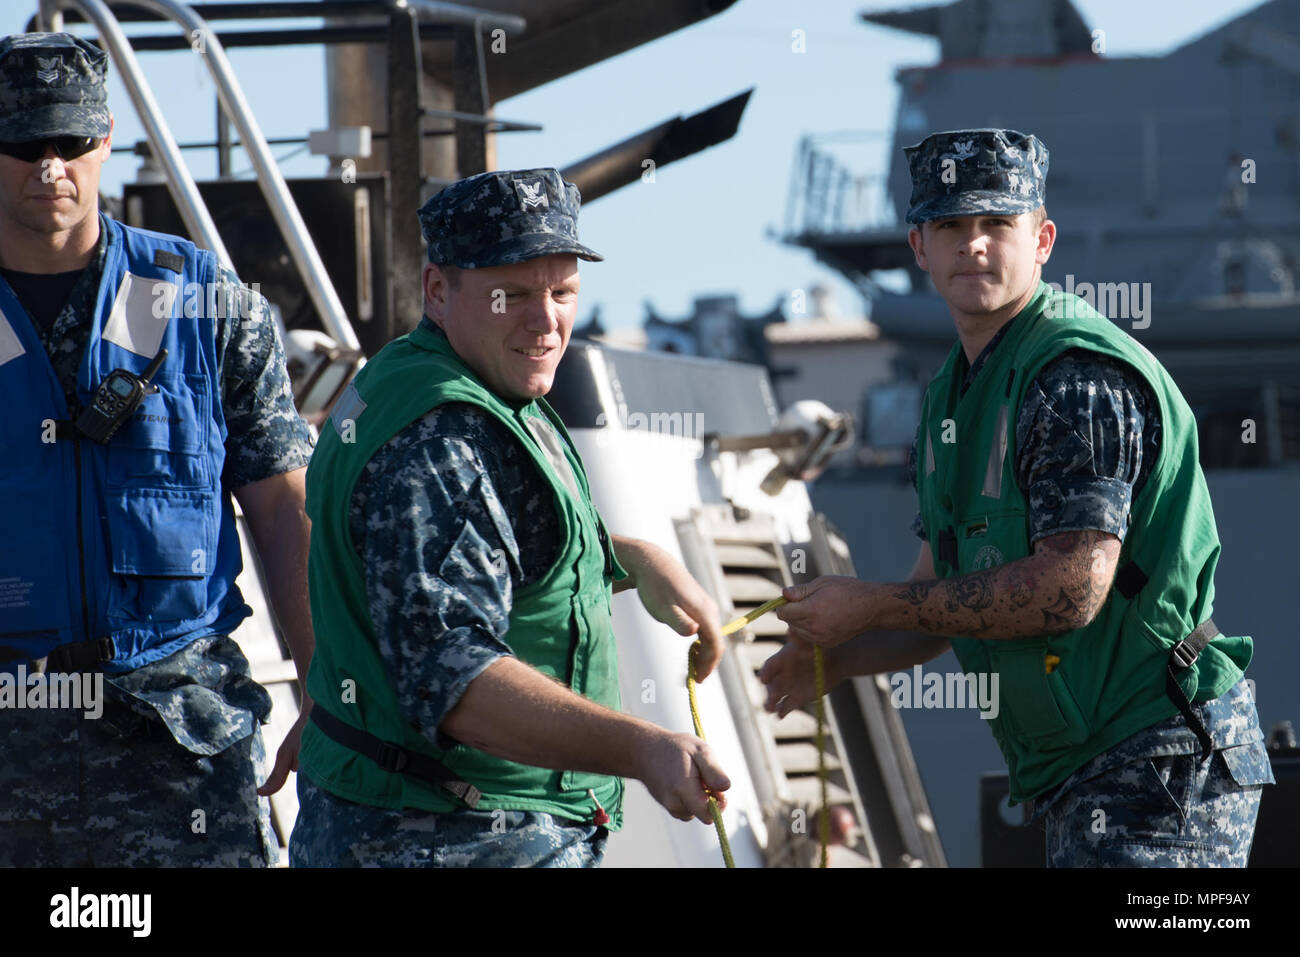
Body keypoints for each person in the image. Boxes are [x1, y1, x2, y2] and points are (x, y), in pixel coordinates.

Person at [760, 128, 1274, 867]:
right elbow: (936, 605)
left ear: (1042, 240)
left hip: (1158, 761)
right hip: (1096, 771)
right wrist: (840, 660)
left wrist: (868, 605)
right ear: (919, 247)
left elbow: (1070, 590)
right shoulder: (954, 395)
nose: (973, 245)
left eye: (997, 223)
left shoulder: (1071, 380)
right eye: (951, 226)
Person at [290, 167, 731, 867]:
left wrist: (633, 559)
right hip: (449, 837)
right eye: (513, 294)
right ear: (439, 290)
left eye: (562, 293)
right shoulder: (440, 439)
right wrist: (641, 747)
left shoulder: (436, 377)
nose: (546, 319)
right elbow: (454, 680)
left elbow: (469, 548)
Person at [0, 32, 315, 866]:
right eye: (22, 143)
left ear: (105, 140)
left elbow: (285, 509)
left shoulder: (197, 303)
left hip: (179, 753)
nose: (48, 166)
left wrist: (328, 690)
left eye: (69, 142)